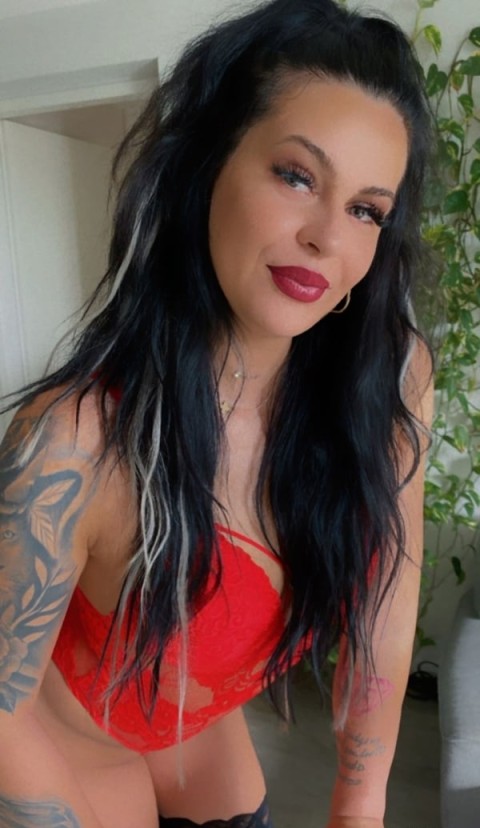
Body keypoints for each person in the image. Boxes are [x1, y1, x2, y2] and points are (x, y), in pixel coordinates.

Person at [0, 0, 435, 825]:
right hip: (68, 736)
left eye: (366, 210)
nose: (327, 238)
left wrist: (360, 805)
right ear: (205, 168)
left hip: (197, 731)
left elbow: (383, 607)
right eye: (297, 175)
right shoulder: (72, 442)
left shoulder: (389, 383)